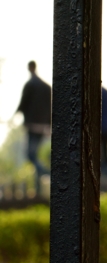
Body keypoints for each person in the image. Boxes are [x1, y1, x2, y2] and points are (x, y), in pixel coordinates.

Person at [15, 61, 52, 192]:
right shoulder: (47, 87)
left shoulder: (30, 85)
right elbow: (50, 106)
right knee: (35, 155)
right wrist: (49, 124)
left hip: (32, 125)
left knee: (31, 155)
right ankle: (38, 186)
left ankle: (47, 173)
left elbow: (23, 103)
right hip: (43, 126)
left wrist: (15, 115)